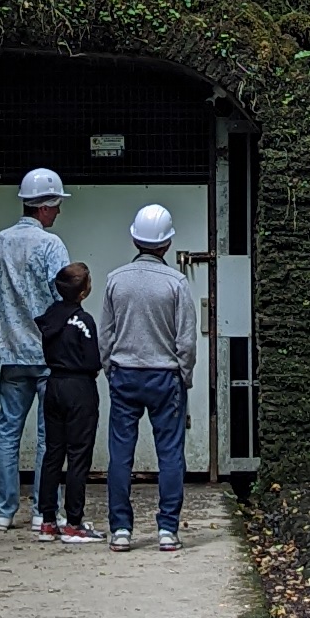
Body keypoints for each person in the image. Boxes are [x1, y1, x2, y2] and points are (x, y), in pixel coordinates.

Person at [101, 202, 198, 552]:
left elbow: (106, 335)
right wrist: (183, 375)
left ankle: (121, 530)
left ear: (134, 239)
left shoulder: (115, 280)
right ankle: (168, 529)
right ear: (167, 243)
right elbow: (186, 339)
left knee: (120, 454)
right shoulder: (176, 282)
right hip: (165, 375)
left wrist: (110, 368)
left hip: (125, 373)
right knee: (170, 453)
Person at [0, 166, 68, 528]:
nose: (59, 211)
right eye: (57, 204)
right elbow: (65, 297)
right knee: (50, 435)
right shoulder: (52, 245)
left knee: (7, 432)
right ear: (45, 207)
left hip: (12, 352)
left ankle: (2, 512)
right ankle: (43, 511)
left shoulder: (0, 242)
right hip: (48, 353)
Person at [36, 261, 103, 541]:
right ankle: (74, 522)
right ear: (83, 292)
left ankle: (47, 519)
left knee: (53, 453)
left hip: (53, 385)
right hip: (79, 388)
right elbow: (93, 361)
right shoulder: (82, 321)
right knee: (78, 456)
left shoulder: (50, 316)